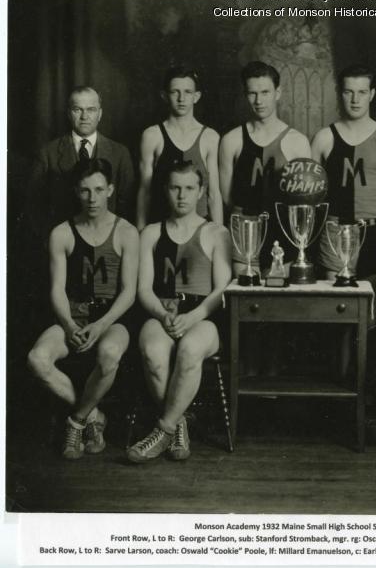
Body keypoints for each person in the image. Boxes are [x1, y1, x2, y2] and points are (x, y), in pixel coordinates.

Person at [27, 158, 139, 459]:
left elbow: (128, 293)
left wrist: (100, 326)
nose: (93, 198)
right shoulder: (61, 233)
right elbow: (56, 290)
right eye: (86, 191)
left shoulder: (126, 232)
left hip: (111, 320)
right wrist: (70, 326)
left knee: (110, 354)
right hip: (72, 318)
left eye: (99, 190)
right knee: (37, 359)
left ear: (111, 190)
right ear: (76, 192)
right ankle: (94, 417)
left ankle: (76, 421)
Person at [128, 161, 231, 463]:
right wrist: (163, 315)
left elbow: (222, 289)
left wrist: (194, 316)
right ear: (165, 190)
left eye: (189, 188)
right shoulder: (150, 233)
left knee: (188, 350)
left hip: (203, 317)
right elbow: (143, 289)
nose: (182, 195)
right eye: (175, 188)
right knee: (152, 353)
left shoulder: (216, 232)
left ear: (201, 192)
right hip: (162, 312)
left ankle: (163, 429)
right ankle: (179, 424)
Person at [311, 64, 376, 281]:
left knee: (375, 300)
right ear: (340, 94)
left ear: (371, 94)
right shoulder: (324, 138)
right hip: (335, 230)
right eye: (348, 92)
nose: (355, 99)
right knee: (336, 303)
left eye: (362, 92)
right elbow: (312, 192)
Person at [219, 60, 311, 274]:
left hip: (283, 229)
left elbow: (306, 199)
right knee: (244, 297)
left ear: (278, 93)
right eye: (252, 93)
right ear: (245, 95)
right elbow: (226, 196)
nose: (259, 100)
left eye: (265, 92)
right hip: (244, 226)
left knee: (280, 298)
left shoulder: (298, 141)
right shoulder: (231, 140)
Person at [28, 86, 136, 243]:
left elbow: (127, 204)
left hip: (108, 243)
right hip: (64, 245)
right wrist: (52, 240)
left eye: (91, 110)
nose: (84, 116)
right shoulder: (48, 154)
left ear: (100, 114)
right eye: (77, 109)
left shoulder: (120, 153)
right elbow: (34, 206)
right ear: (68, 113)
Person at [137, 66, 222, 228]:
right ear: (164, 95)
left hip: (200, 229)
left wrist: (219, 235)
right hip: (162, 226)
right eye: (175, 92)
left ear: (196, 96)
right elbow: (144, 192)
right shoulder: (152, 135)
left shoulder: (210, 137)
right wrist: (140, 232)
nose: (181, 98)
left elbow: (214, 194)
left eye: (188, 92)